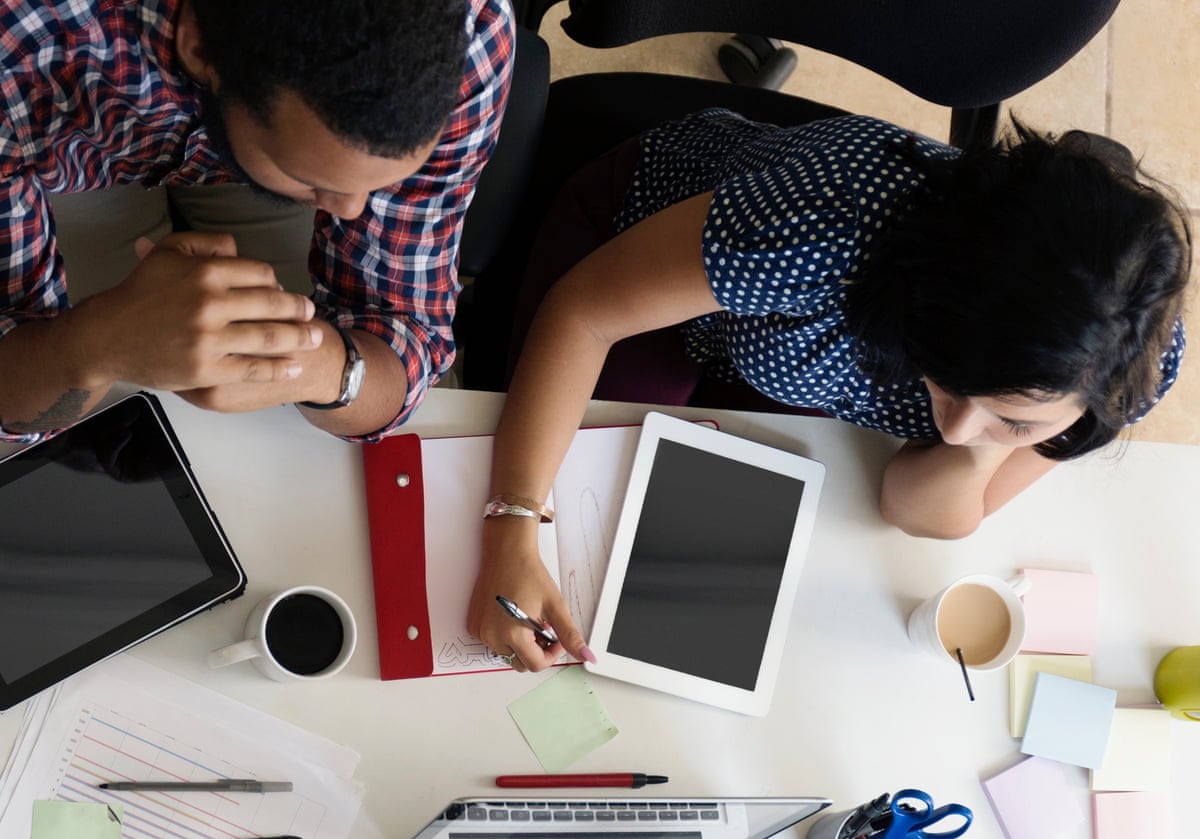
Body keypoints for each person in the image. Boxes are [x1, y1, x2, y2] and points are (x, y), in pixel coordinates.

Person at [466, 111, 1191, 672]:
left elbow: (913, 505)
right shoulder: (828, 218)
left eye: (1014, 419)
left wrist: (980, 453)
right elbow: (587, 313)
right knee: (578, 526)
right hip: (639, 271)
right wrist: (511, 526)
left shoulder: (1123, 370)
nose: (964, 427)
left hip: (775, 367)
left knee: (683, 584)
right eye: (947, 374)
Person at [0, 0, 512, 443]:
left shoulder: (471, 31)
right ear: (198, 45)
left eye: (385, 182)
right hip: (54, 153)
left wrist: (319, 368)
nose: (354, 211)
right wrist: (96, 344)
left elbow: (407, 328)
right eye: (309, 178)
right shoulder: (19, 39)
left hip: (239, 150)